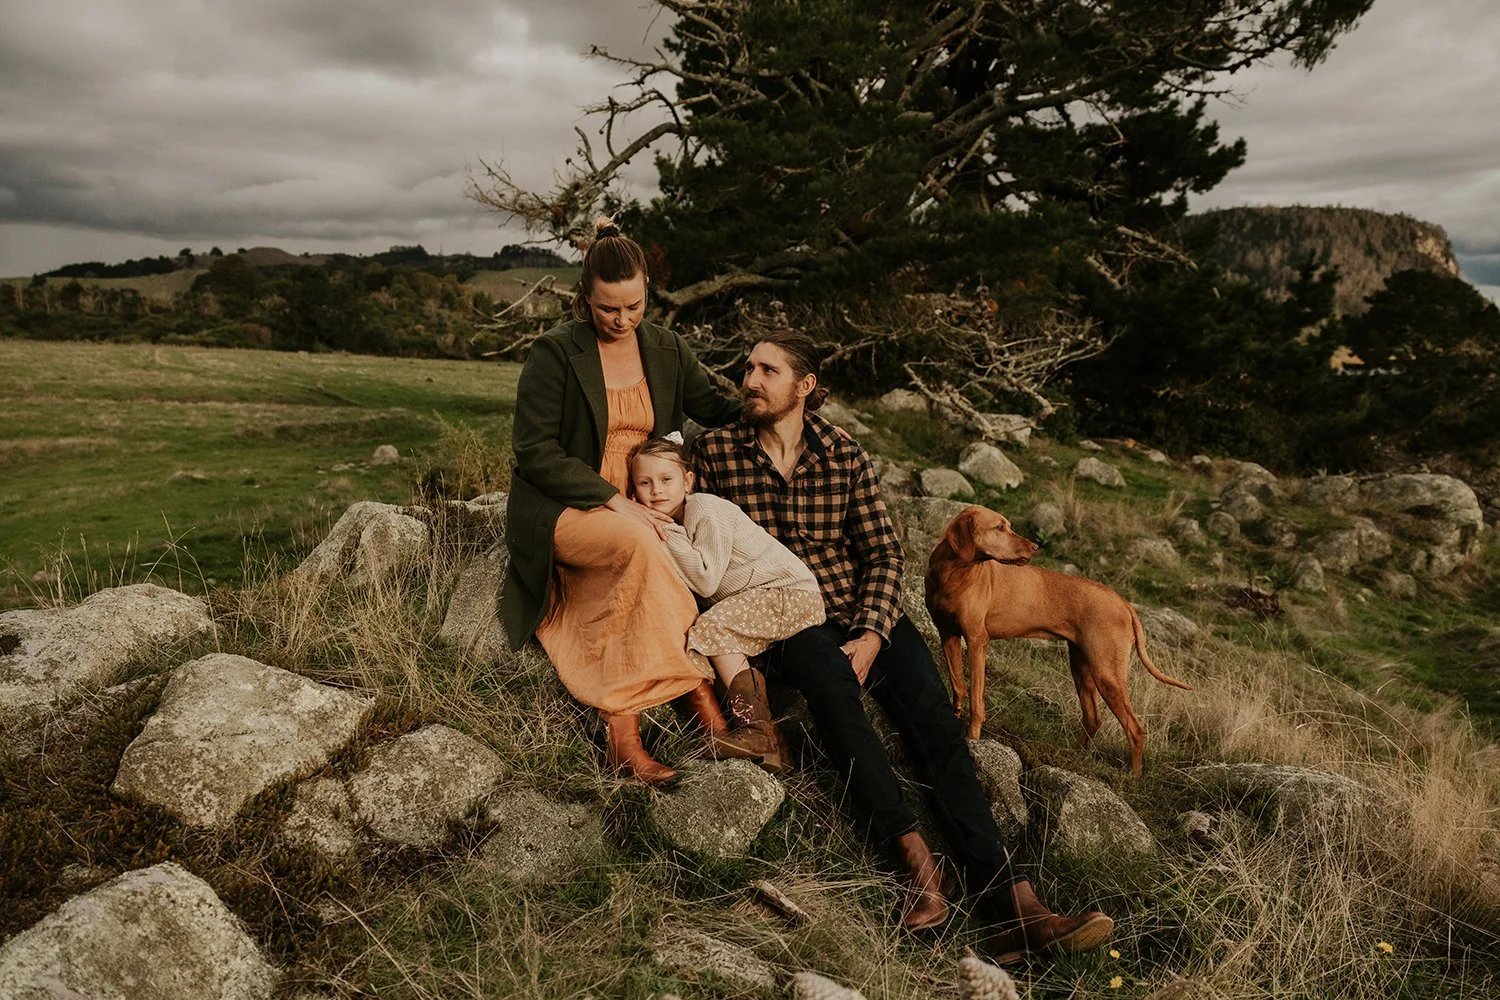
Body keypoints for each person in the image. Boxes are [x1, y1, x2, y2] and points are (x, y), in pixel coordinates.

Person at [690, 328, 1115, 962]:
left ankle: (1014, 905)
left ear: (805, 387)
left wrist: (871, 633)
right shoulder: (717, 452)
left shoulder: (844, 454)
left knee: (934, 722)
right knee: (839, 704)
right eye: (748, 368)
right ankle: (917, 866)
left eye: (766, 371)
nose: (749, 380)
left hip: (861, 606)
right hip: (783, 616)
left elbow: (884, 554)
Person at [500, 216, 746, 787]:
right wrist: (615, 500)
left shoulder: (666, 348)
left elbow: (716, 408)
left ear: (647, 292)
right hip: (565, 505)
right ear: (585, 298)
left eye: (634, 306)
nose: (622, 319)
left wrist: (781, 411)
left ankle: (631, 735)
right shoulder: (555, 353)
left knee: (646, 553)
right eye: (608, 308)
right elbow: (533, 450)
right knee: (646, 543)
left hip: (643, 498)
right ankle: (694, 702)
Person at [627, 433, 825, 773]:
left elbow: (706, 579)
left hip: (790, 592)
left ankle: (756, 731)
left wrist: (665, 531)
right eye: (645, 483)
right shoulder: (678, 519)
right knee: (711, 640)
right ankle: (774, 746)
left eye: (666, 479)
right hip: (762, 597)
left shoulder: (705, 510)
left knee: (714, 628)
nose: (656, 490)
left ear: (687, 481)